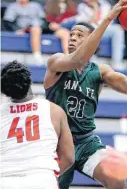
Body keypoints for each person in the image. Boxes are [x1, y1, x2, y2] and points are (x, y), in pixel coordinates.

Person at [44, 0, 127, 188]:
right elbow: (79, 59)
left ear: (92, 40)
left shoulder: (100, 71)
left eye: (79, 35)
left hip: (86, 142)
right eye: (72, 34)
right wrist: (108, 18)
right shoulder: (56, 62)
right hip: (57, 144)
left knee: (117, 180)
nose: (72, 37)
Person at [0, 61, 75, 189]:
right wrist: (50, 175)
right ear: (29, 82)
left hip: (5, 179)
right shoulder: (54, 110)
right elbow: (68, 158)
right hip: (42, 178)